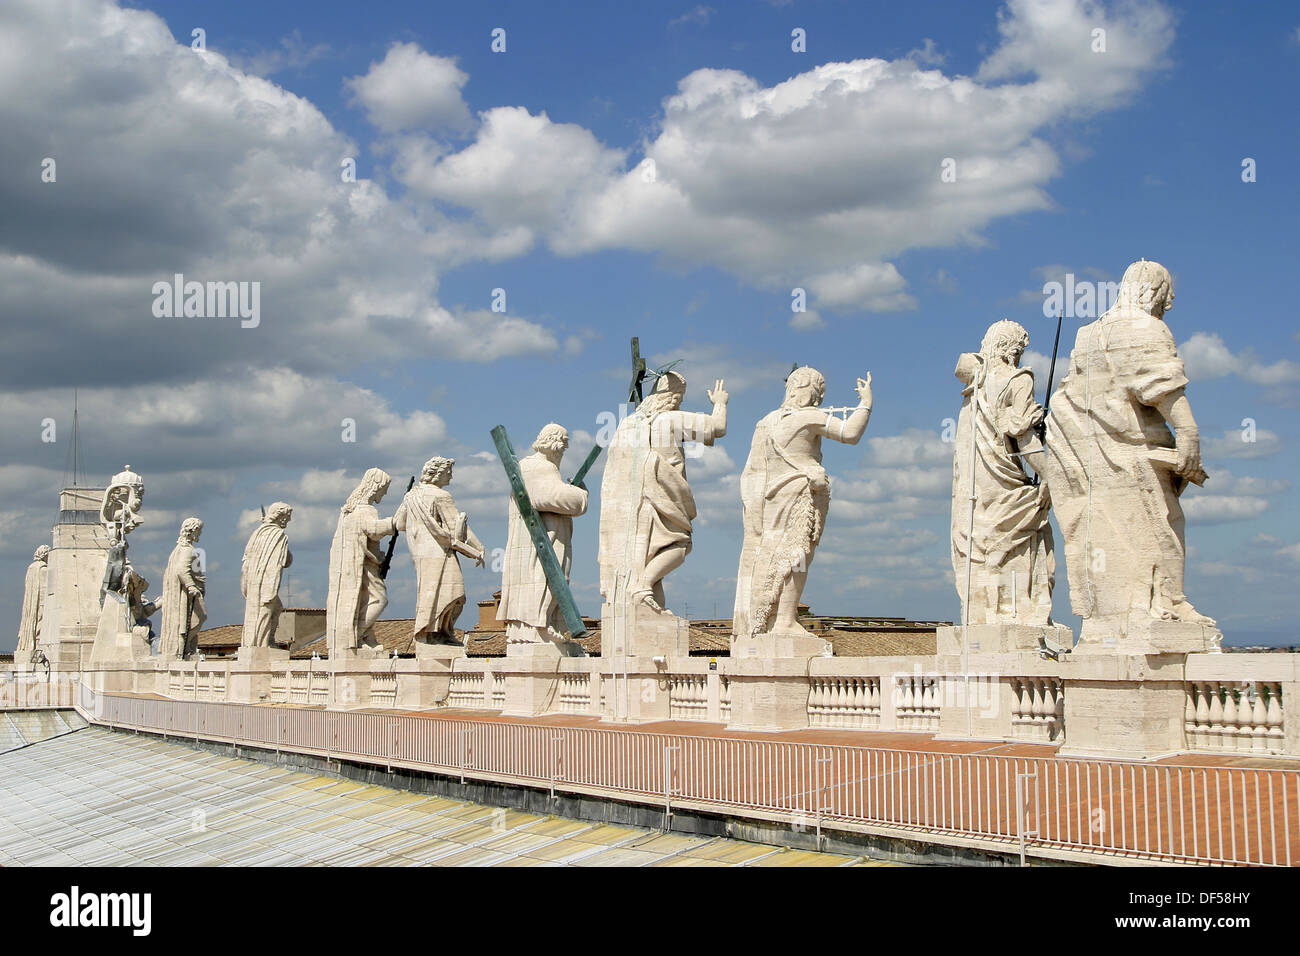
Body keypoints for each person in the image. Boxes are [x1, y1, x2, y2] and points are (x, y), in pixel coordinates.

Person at [1043, 258, 1214, 639]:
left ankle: (1116, 616)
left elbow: (1073, 395)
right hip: (1132, 455)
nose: (1164, 310)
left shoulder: (1088, 334)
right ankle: (1162, 602)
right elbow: (1159, 383)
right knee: (1160, 525)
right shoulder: (1144, 327)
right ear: (1155, 292)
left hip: (1090, 457)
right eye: (1165, 301)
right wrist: (1188, 432)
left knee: (1103, 534)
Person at [733, 367, 872, 641]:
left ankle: (767, 618)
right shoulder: (809, 417)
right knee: (798, 554)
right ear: (812, 390)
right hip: (800, 493)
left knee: (774, 554)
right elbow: (850, 433)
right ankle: (783, 620)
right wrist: (866, 403)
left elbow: (752, 472)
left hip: (771, 498)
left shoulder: (766, 422)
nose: (819, 399)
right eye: (819, 392)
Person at [951, 320, 1055, 626]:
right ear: (1011, 350)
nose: (1020, 357)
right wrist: (1049, 474)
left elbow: (962, 364)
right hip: (1005, 481)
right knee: (1030, 532)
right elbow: (1022, 436)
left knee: (982, 545)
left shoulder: (974, 384)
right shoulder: (1018, 379)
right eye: (1019, 350)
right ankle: (1020, 613)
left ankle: (985, 615)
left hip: (976, 484)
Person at [598, 371, 727, 613]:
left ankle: (644, 597)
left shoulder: (627, 424)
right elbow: (717, 428)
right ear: (673, 397)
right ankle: (642, 587)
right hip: (662, 493)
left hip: (632, 502)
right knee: (679, 546)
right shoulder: (669, 419)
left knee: (646, 554)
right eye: (679, 397)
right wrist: (720, 403)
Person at [499, 424, 588, 647]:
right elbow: (549, 496)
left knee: (544, 580)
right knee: (545, 579)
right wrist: (580, 495)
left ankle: (540, 626)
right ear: (555, 444)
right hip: (543, 540)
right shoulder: (540, 467)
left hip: (539, 538)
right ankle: (538, 626)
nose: (563, 452)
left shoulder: (527, 466)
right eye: (563, 446)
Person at [395, 457, 484, 645]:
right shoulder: (441, 496)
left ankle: (430, 633)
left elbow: (399, 523)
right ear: (438, 474)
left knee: (429, 591)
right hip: (440, 552)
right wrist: (478, 546)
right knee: (455, 592)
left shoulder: (411, 496)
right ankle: (442, 633)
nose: (450, 477)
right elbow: (455, 527)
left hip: (420, 553)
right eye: (448, 472)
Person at [325, 469, 397, 656]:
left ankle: (364, 637)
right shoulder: (365, 509)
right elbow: (373, 530)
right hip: (364, 566)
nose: (385, 493)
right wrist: (395, 523)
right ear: (376, 487)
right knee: (379, 599)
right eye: (384, 489)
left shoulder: (349, 511)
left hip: (357, 564)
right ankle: (357, 635)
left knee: (363, 601)